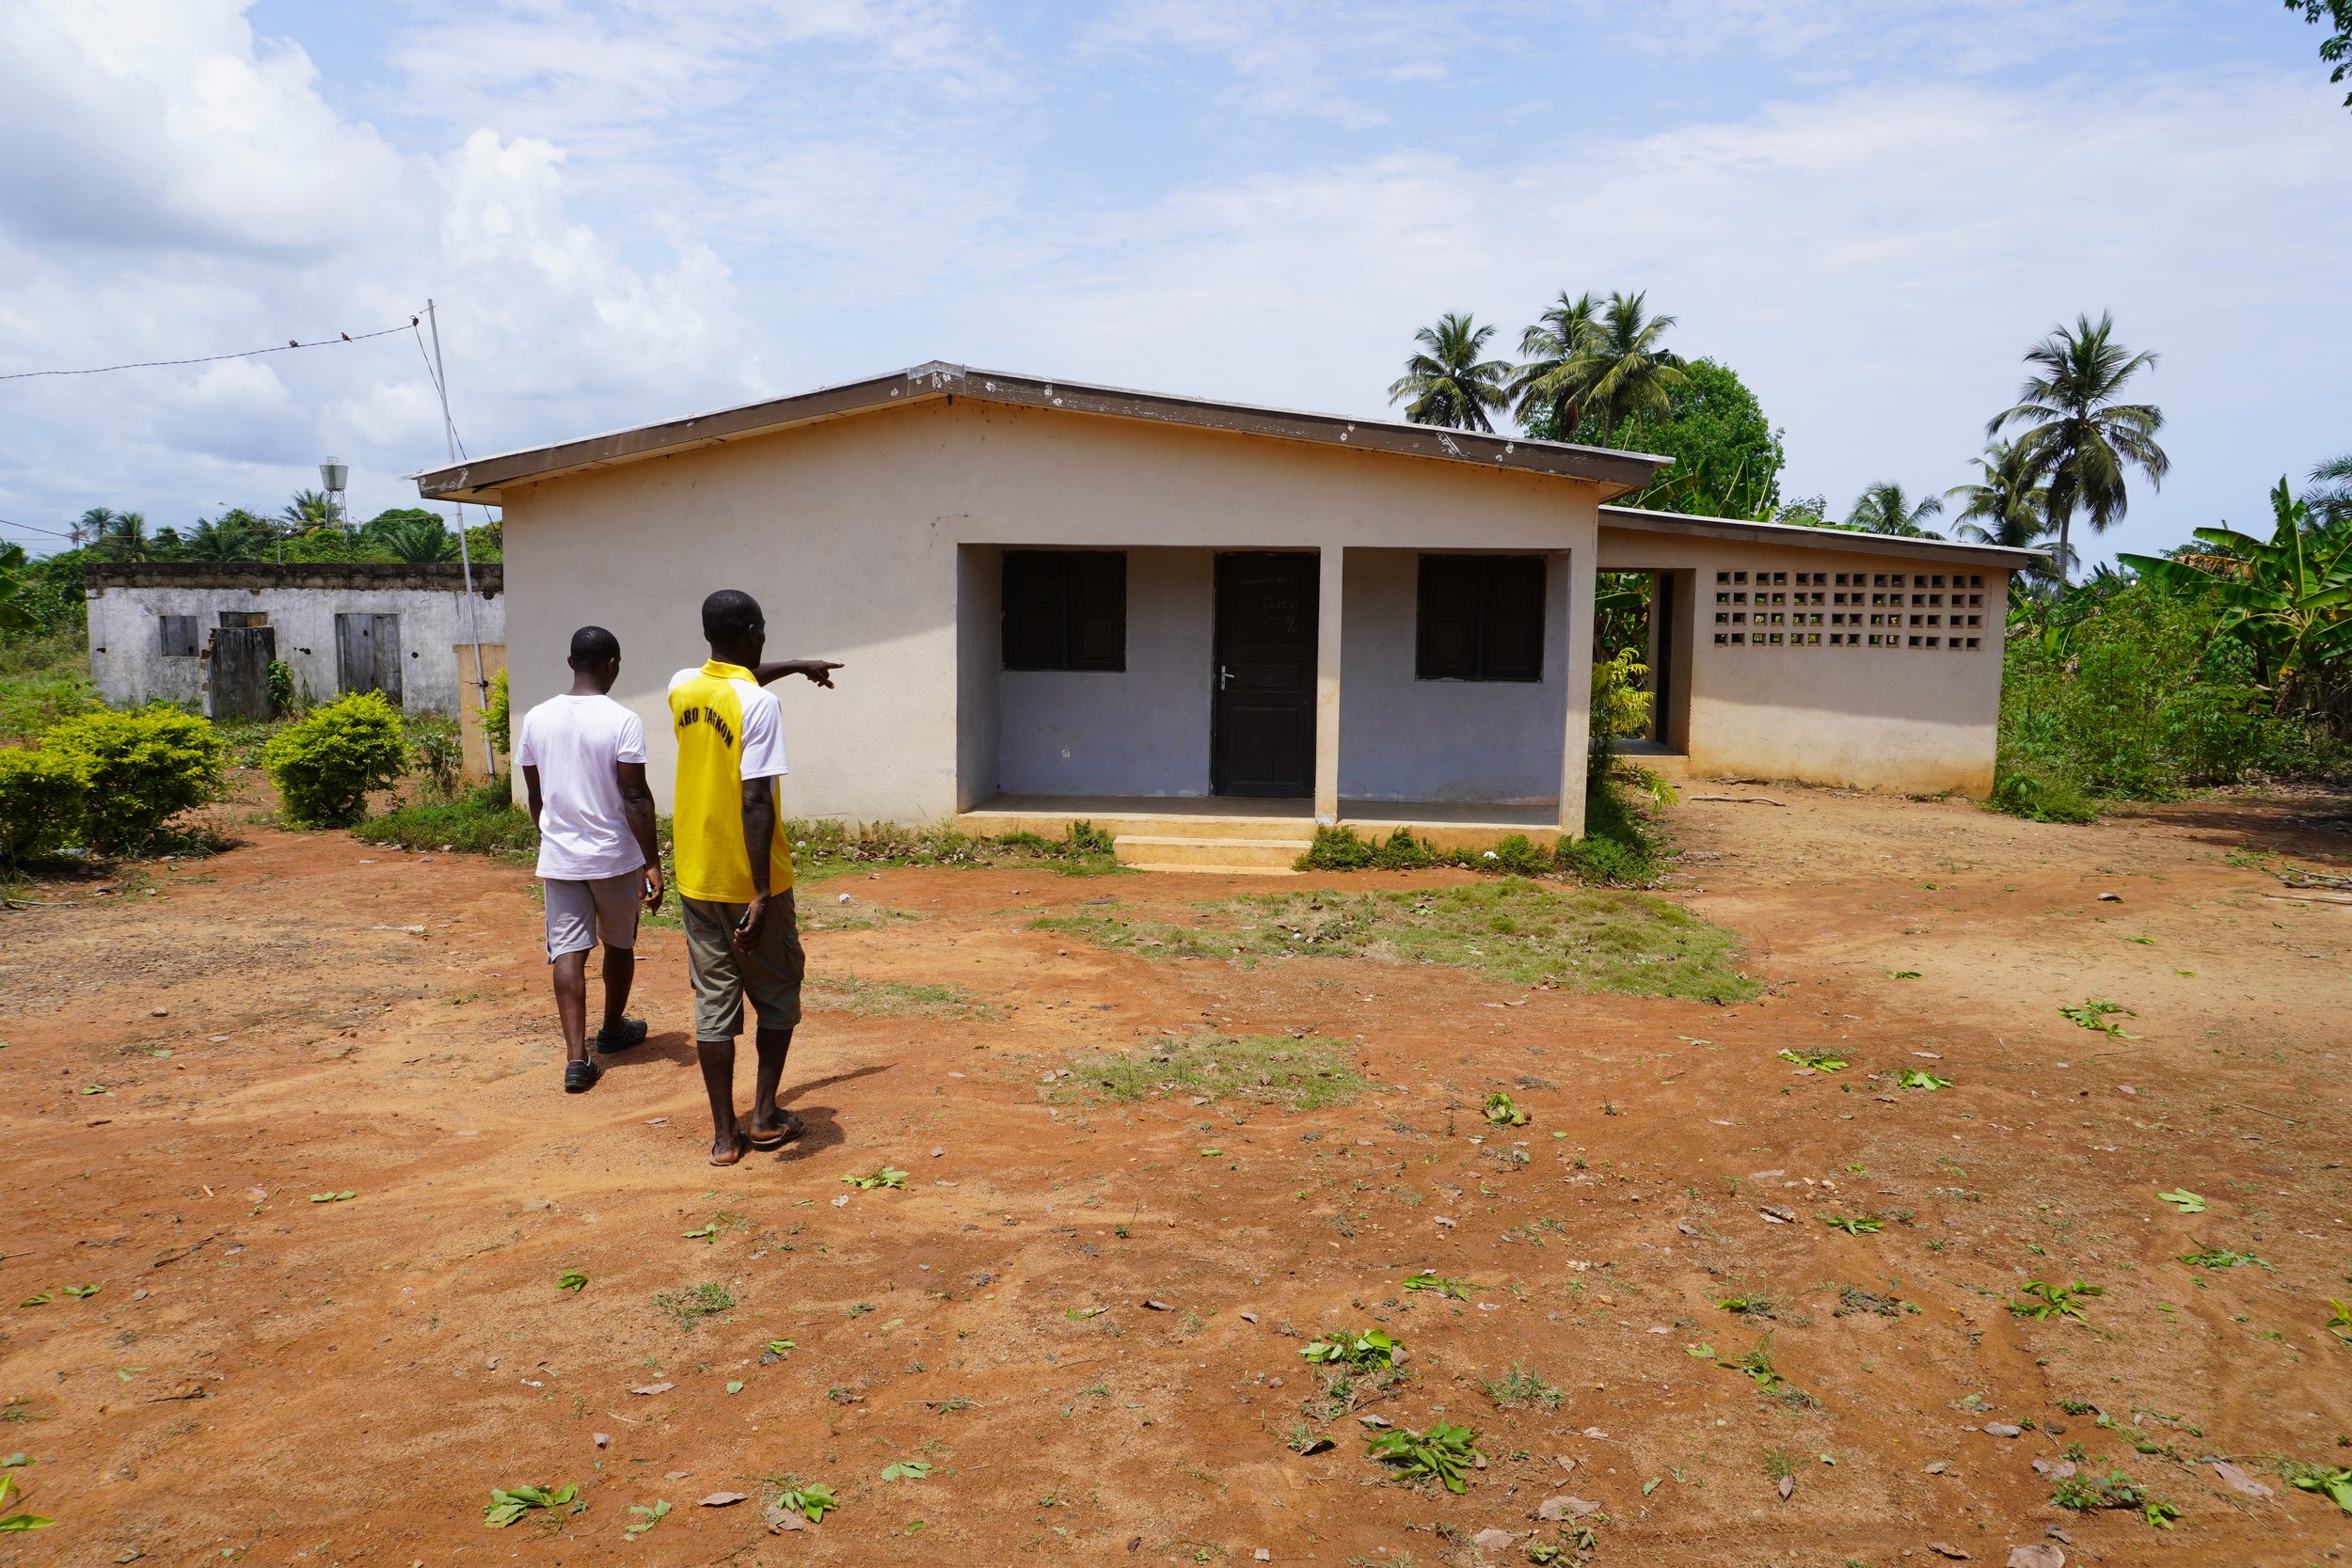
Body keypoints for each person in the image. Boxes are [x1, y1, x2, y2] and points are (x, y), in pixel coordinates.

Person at [668, 590, 841, 1165]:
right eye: (762, 628)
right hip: (750, 883)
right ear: (750, 628)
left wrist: (795, 665)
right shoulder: (758, 708)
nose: (766, 635)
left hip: (696, 876)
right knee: (776, 993)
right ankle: (764, 1115)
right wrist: (764, 891)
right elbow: (756, 800)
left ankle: (724, 1135)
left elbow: (738, 684)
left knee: (714, 1004)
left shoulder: (682, 687)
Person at [516, 626, 664, 1094]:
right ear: (614, 664)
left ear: (570, 661)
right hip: (613, 857)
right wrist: (652, 861)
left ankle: (577, 1060)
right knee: (619, 944)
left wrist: (553, 835)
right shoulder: (622, 719)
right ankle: (614, 1029)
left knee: (568, 951)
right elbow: (635, 795)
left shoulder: (537, 718)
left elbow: (535, 794)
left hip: (560, 858)